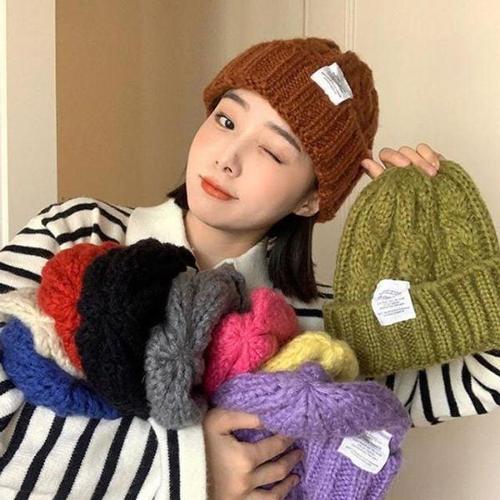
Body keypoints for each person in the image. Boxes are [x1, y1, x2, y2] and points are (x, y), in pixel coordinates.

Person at [0, 36, 455, 499]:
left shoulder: (326, 329)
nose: (226, 158)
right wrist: (192, 469)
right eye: (226, 120)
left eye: (272, 151)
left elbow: (482, 373)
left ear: (312, 199)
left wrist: (441, 231)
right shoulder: (80, 231)